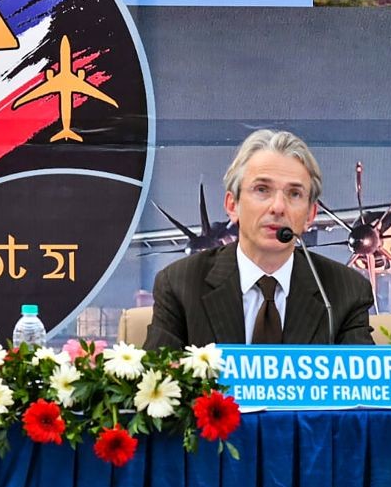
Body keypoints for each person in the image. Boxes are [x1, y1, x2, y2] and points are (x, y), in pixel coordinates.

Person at [143, 130, 374, 350]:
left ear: (310, 216)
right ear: (232, 206)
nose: (278, 207)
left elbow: (363, 377)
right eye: (262, 189)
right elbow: (159, 375)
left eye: (294, 194)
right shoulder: (180, 285)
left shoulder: (346, 291)